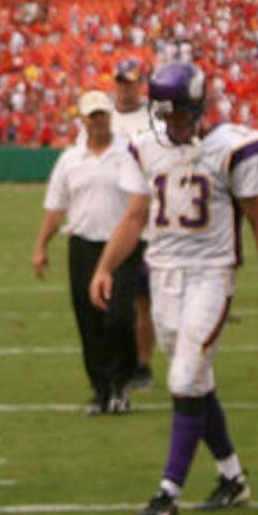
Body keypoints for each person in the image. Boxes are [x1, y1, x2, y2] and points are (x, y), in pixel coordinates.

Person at [89, 63, 258, 515]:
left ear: (198, 108)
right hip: (164, 273)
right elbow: (135, 216)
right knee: (195, 377)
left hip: (212, 274)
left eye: (180, 114)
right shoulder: (147, 147)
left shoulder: (231, 147)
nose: (171, 123)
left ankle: (167, 493)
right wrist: (106, 265)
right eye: (165, 114)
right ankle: (232, 476)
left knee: (185, 376)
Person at [32, 90, 137, 415]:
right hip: (82, 245)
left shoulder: (129, 155)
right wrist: (41, 246)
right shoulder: (70, 160)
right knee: (87, 320)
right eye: (92, 115)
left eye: (103, 114)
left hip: (121, 246)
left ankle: (121, 383)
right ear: (83, 120)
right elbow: (55, 207)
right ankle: (102, 390)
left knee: (118, 317)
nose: (98, 121)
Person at [108, 59, 156, 390]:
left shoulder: (153, 117)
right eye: (121, 82)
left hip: (146, 220)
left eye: (131, 82)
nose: (125, 88)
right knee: (110, 298)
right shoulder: (102, 116)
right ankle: (116, 363)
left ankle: (142, 363)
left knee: (143, 300)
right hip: (110, 217)